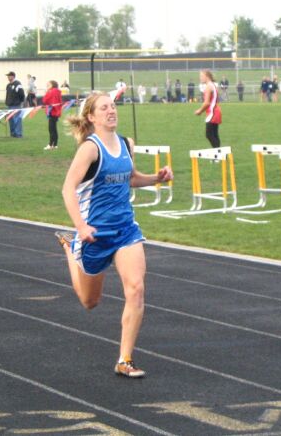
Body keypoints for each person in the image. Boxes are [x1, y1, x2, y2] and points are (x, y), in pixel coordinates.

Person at [55, 92, 173, 378]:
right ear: (91, 117)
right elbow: (67, 188)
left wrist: (156, 178)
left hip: (125, 231)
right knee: (90, 302)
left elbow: (130, 178)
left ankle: (125, 359)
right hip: (94, 234)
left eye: (113, 106)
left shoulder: (126, 144)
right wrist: (81, 227)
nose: (111, 111)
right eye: (104, 108)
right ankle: (70, 248)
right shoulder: (90, 149)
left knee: (136, 288)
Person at [194, 69, 222, 148]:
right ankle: (219, 153)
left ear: (207, 76)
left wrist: (200, 111)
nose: (200, 78)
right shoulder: (213, 85)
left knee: (209, 134)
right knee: (214, 134)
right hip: (216, 111)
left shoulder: (208, 87)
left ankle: (218, 153)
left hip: (212, 112)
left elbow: (207, 103)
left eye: (201, 76)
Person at [42, 79, 62, 150]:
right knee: (54, 129)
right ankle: (55, 144)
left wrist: (47, 92)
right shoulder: (57, 91)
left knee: (51, 129)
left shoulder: (51, 91)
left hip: (52, 112)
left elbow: (45, 100)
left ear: (52, 85)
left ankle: (50, 144)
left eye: (48, 84)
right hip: (56, 112)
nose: (47, 85)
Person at [5, 71, 25, 137]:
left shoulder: (17, 84)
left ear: (13, 76)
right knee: (11, 120)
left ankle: (18, 133)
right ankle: (13, 133)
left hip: (16, 105)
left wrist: (21, 102)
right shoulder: (8, 85)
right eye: (8, 76)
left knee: (17, 119)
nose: (8, 77)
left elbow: (21, 94)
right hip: (9, 105)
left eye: (9, 76)